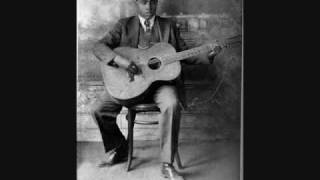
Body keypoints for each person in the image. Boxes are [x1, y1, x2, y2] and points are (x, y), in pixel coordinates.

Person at [91, 0, 221, 179]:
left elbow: (184, 54)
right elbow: (98, 47)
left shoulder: (168, 26)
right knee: (98, 109)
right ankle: (120, 148)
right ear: (136, 3)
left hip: (161, 86)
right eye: (144, 2)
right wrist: (123, 62)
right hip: (128, 86)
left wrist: (208, 54)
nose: (148, 6)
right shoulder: (123, 25)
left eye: (152, 1)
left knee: (172, 103)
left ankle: (167, 164)